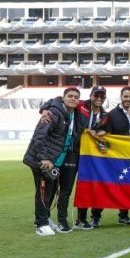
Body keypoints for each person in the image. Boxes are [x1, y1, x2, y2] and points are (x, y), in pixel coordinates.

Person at [39, 85, 110, 230]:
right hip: (68, 151)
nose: (98, 98)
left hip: (85, 155)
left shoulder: (104, 116)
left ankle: (64, 219)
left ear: (104, 98)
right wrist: (44, 109)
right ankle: (45, 218)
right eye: (96, 95)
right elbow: (58, 100)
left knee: (68, 188)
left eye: (101, 96)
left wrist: (101, 132)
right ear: (90, 96)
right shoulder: (81, 105)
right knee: (53, 186)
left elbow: (105, 132)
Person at [24, 87, 80, 235]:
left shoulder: (67, 113)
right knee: (44, 191)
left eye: (76, 97)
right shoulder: (54, 113)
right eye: (70, 96)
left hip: (56, 160)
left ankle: (46, 218)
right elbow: (39, 136)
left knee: (52, 189)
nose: (73, 99)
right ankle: (41, 224)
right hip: (43, 159)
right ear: (63, 98)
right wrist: (44, 158)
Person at [99, 86, 130, 225]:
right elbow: (105, 135)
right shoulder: (112, 114)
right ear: (121, 97)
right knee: (106, 185)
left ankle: (123, 216)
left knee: (127, 186)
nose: (128, 99)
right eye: (125, 96)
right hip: (115, 157)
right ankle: (96, 217)